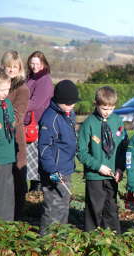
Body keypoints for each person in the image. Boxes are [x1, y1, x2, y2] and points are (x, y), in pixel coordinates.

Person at [77, 86, 128, 233]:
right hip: (95, 175)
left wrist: (120, 168)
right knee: (95, 208)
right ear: (96, 104)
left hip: (113, 174)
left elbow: (124, 148)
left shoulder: (117, 122)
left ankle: (113, 238)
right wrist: (98, 166)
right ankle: (91, 237)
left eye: (111, 109)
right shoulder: (88, 124)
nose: (107, 112)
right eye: (104, 108)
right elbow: (81, 152)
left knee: (111, 207)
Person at [38, 80, 80, 235]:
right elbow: (44, 148)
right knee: (52, 210)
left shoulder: (69, 114)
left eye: (73, 103)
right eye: (68, 104)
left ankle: (60, 243)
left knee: (63, 207)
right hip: (54, 172)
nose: (71, 106)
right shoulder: (50, 118)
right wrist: (52, 171)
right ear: (59, 101)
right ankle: (46, 242)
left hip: (66, 169)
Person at [1, 50, 30, 220]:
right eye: (8, 66)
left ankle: (17, 220)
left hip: (14, 140)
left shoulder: (22, 89)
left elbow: (17, 117)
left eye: (14, 67)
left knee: (17, 182)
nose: (11, 70)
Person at [25, 51, 54, 192]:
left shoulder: (45, 80)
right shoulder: (31, 77)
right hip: (27, 122)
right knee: (29, 162)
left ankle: (35, 193)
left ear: (43, 64)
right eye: (32, 63)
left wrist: (15, 104)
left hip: (37, 124)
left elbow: (35, 103)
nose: (34, 66)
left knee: (35, 162)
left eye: (37, 63)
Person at [0, 68, 15, 221]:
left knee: (7, 193)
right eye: (2, 89)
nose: (5, 92)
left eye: (7, 89)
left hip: (8, 155)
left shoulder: (7, 103)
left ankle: (7, 226)